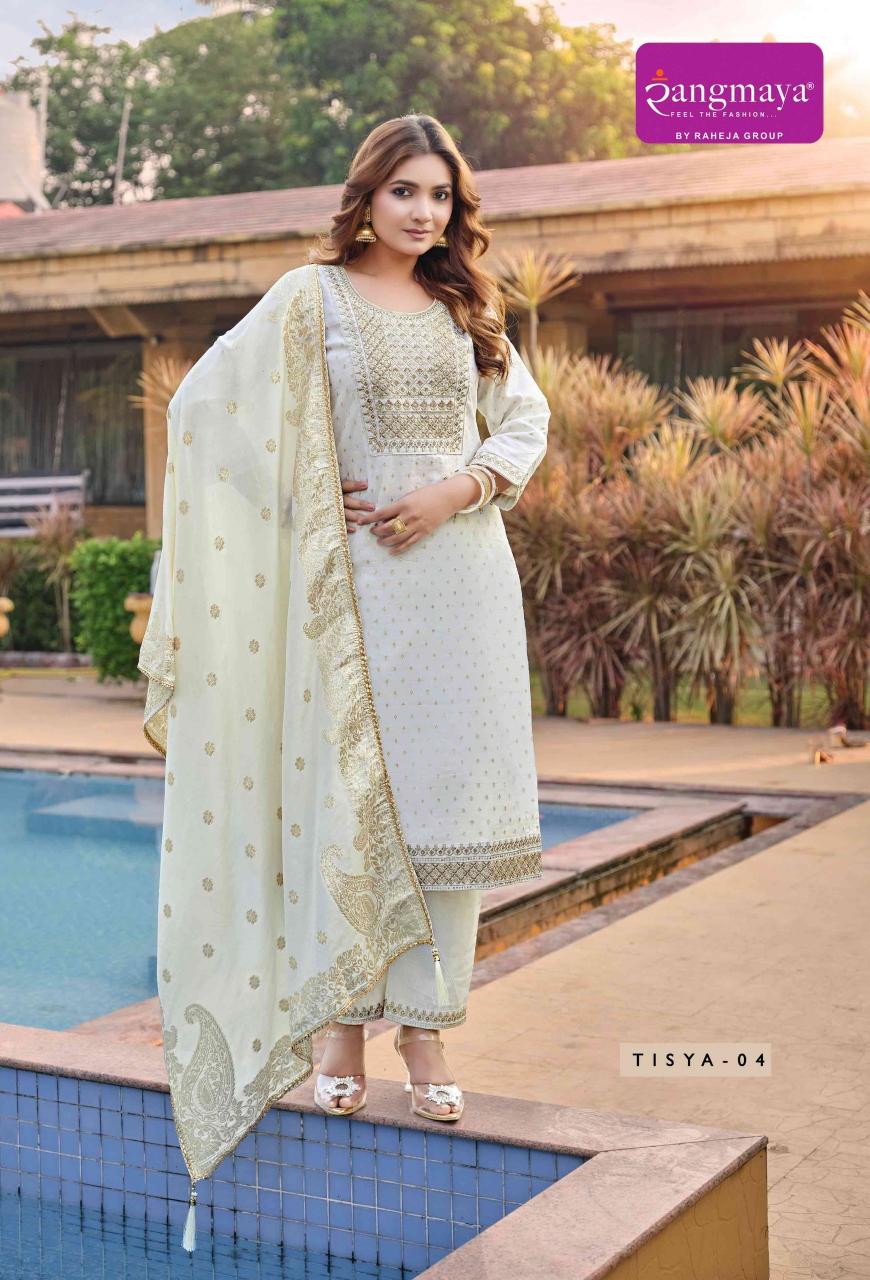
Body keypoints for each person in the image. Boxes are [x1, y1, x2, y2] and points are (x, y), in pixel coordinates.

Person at [138, 112, 549, 1254]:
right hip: (353, 593)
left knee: (443, 818)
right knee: (351, 805)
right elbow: (203, 413)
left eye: (440, 196)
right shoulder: (306, 299)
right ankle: (341, 1030)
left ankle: (426, 1030)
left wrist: (456, 490)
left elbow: (524, 423)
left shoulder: (470, 311)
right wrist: (304, 503)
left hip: (462, 586)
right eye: (404, 191)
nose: (423, 212)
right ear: (365, 196)